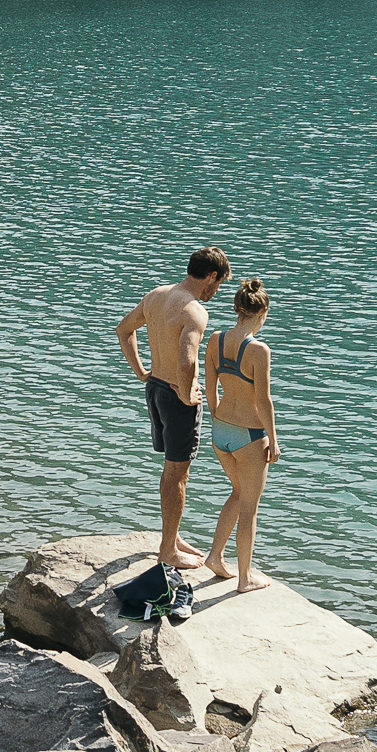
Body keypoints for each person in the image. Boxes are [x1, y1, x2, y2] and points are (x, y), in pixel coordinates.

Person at [116, 247, 230, 569]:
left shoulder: (157, 295)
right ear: (211, 276)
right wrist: (185, 395)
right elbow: (187, 359)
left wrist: (141, 372)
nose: (216, 291)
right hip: (175, 396)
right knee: (178, 474)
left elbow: (124, 330)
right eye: (218, 284)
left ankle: (172, 536)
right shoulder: (194, 311)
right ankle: (167, 550)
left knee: (171, 470)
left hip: (154, 389)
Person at [203, 275, 280, 592]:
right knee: (249, 507)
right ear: (262, 314)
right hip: (249, 436)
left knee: (237, 492)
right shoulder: (259, 350)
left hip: (220, 431)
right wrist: (273, 441)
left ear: (238, 309)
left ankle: (215, 558)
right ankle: (245, 579)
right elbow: (264, 401)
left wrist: (218, 414)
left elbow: (209, 388)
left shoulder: (216, 340)